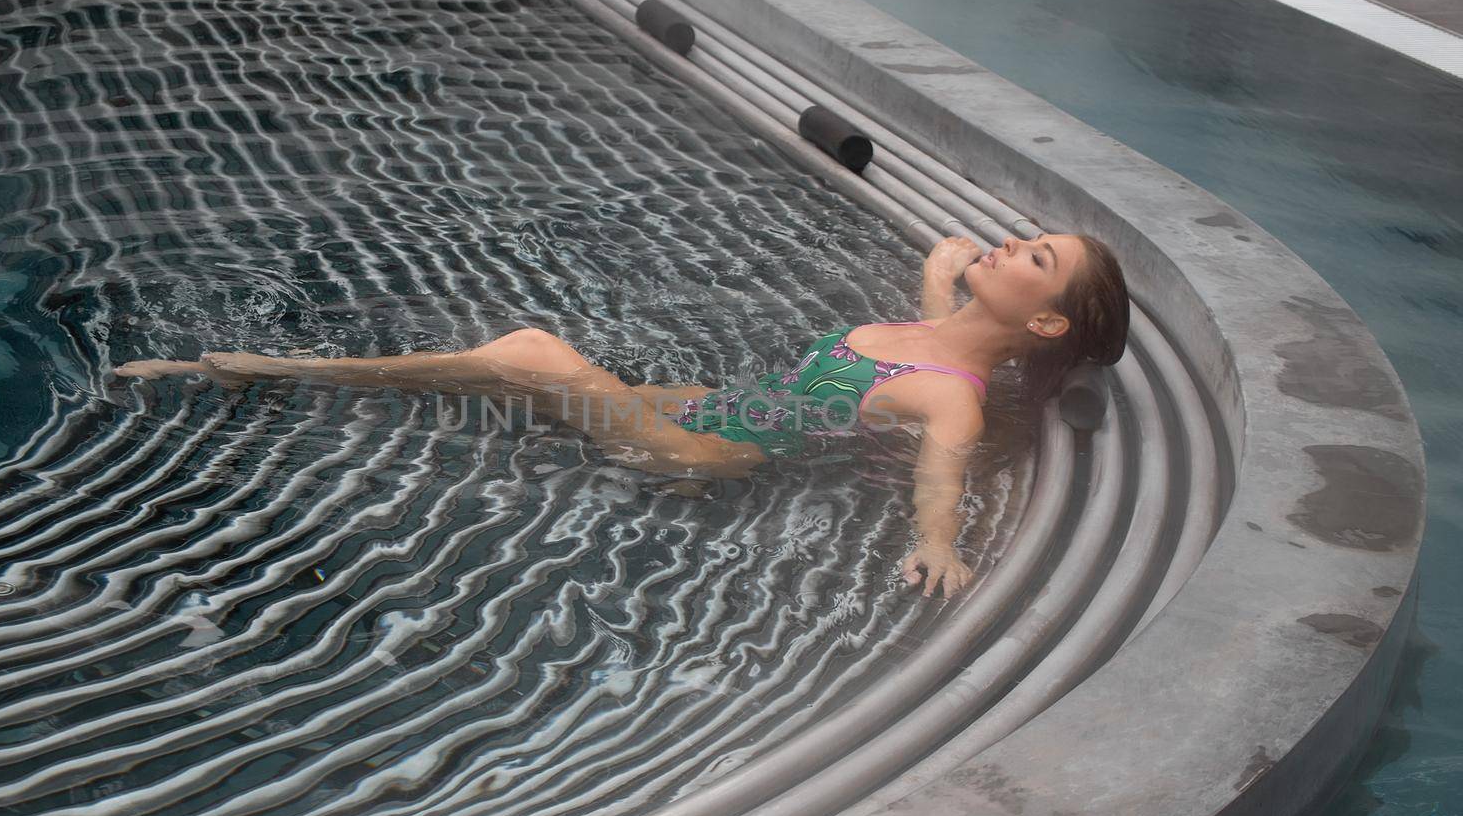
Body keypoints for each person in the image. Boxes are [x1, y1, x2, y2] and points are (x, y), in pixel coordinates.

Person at [113, 233, 1130, 598]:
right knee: (498, 373)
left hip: (697, 449)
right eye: (1021, 235)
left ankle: (266, 368)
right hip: (698, 407)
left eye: (1031, 258)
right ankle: (290, 374)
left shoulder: (947, 395)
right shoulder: (937, 325)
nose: (1004, 244)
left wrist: (938, 546)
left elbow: (940, 466)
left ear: (1041, 317)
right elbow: (934, 302)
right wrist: (949, 266)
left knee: (528, 352)